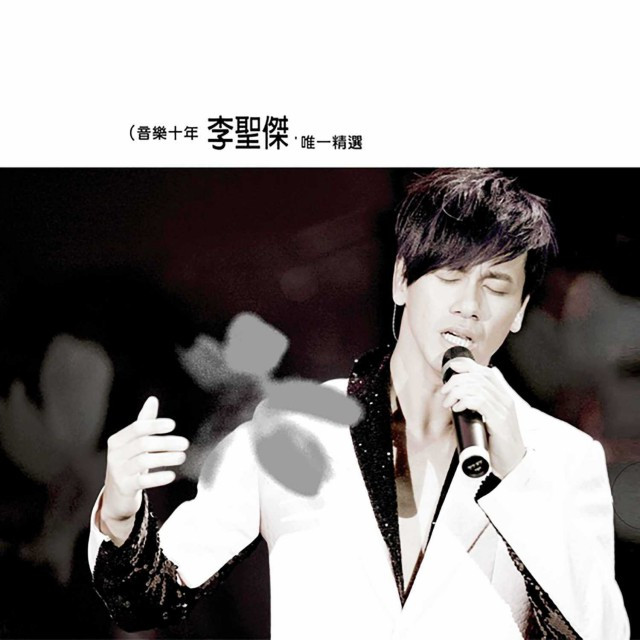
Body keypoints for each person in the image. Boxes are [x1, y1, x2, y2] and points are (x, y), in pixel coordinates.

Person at [88, 169, 629, 639]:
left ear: (520, 311)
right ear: (402, 280)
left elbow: (596, 632)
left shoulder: (564, 457)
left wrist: (520, 481)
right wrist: (119, 512)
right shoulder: (292, 429)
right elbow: (148, 599)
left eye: (496, 285)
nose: (469, 305)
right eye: (450, 274)